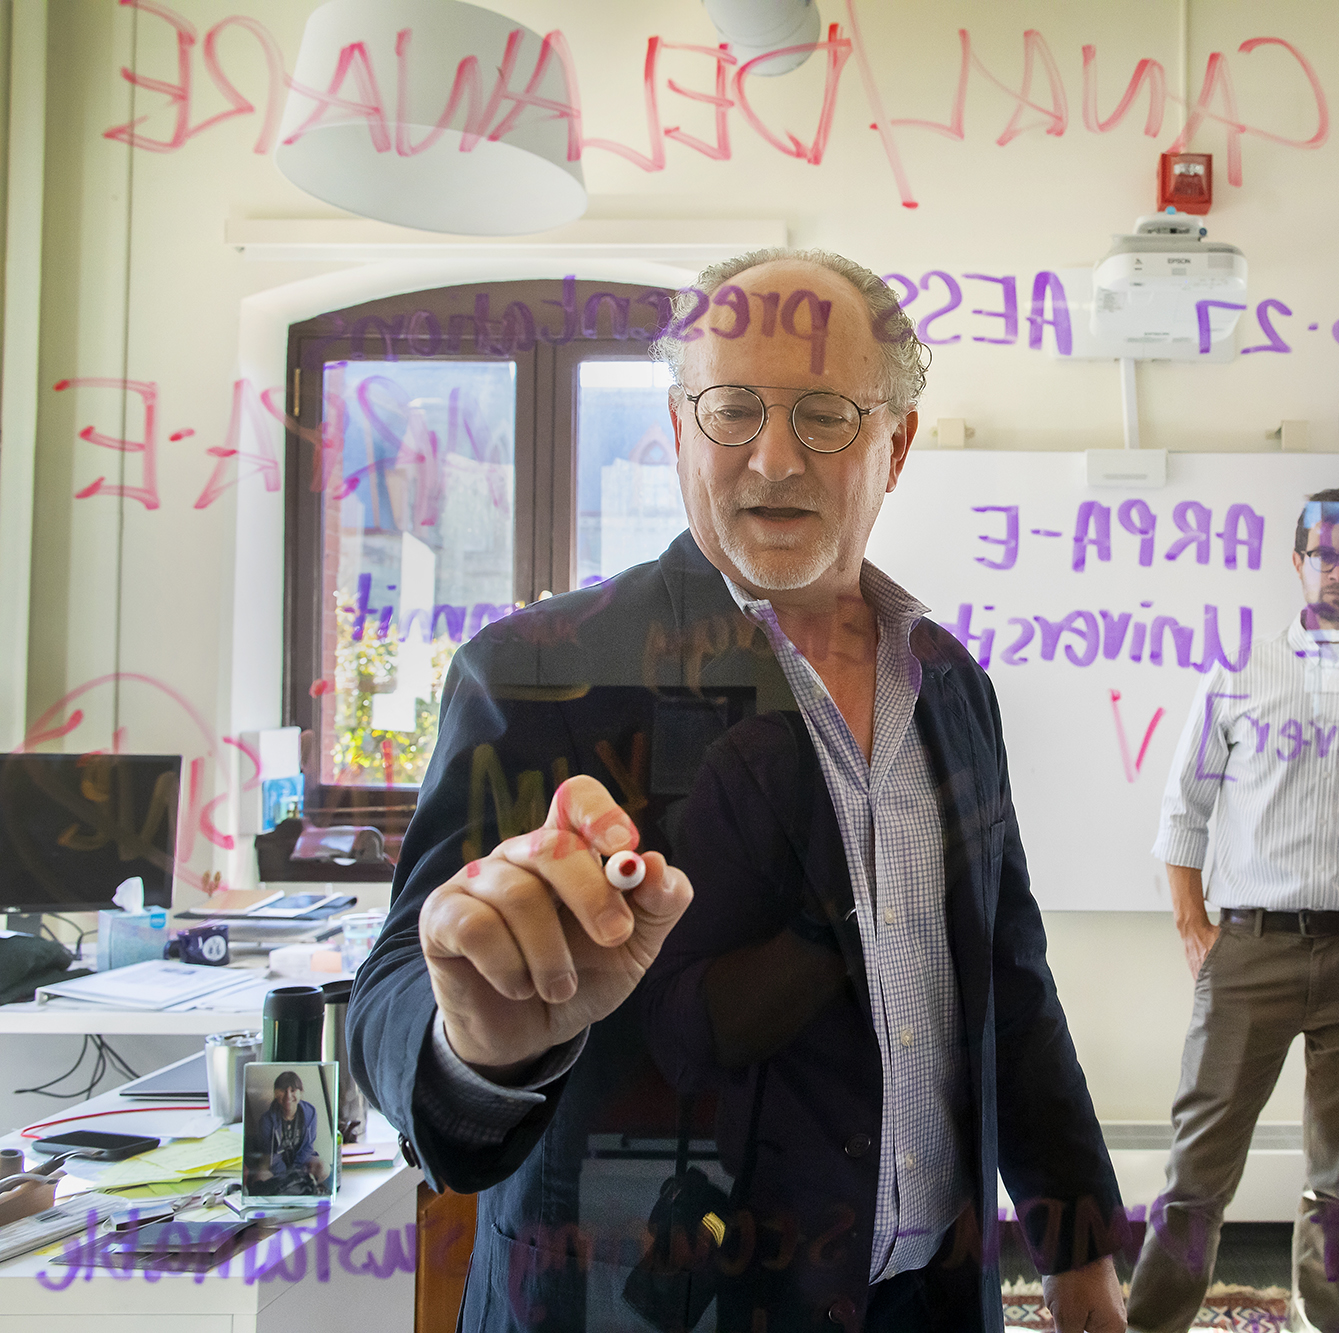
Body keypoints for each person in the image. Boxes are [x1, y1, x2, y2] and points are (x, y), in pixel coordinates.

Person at [348, 248, 1128, 1333]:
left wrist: (1078, 1257)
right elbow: (392, 994)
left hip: (927, 1302)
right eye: (731, 411)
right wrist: (476, 1043)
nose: (771, 459)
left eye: (823, 413)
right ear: (676, 431)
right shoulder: (537, 674)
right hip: (651, 1302)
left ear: (894, 443)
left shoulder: (951, 685)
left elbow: (1010, 985)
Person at [1124, 488, 1339, 1333]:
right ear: (1298, 559)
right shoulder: (1238, 673)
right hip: (1252, 952)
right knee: (1197, 1177)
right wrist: (1195, 929)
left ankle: (1323, 1324)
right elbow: (1183, 812)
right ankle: (1154, 1324)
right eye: (1325, 551)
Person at [248, 1069, 328, 1196]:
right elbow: (271, 1155)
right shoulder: (266, 1120)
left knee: (325, 1168)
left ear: (301, 1093)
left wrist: (297, 1170)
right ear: (275, 1093)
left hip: (301, 1160)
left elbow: (308, 1146)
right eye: (283, 1090)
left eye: (293, 1090)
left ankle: (308, 1189)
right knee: (259, 1177)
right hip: (274, 1162)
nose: (288, 1096)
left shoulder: (310, 1113)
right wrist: (287, 1176)